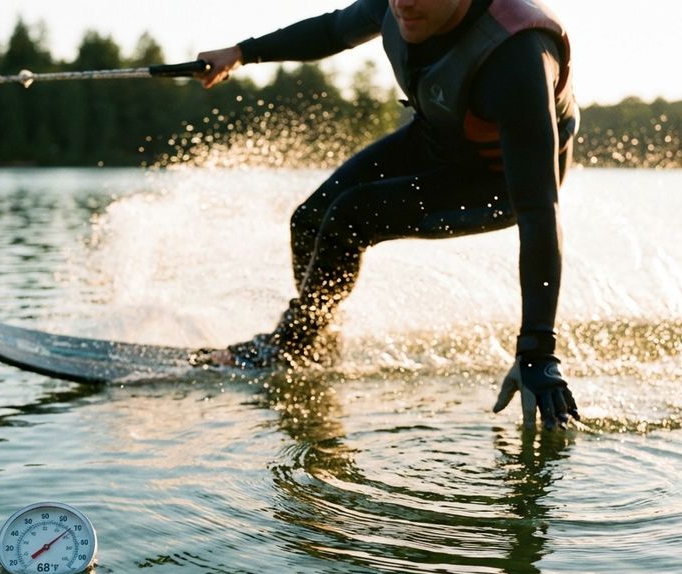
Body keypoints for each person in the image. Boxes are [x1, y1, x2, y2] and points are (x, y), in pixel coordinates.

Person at [194, 0, 580, 430]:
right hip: (434, 140)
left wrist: (537, 352)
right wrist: (241, 53)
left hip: (500, 183)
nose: (403, 4)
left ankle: (292, 345)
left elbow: (540, 211)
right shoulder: (396, 3)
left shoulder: (518, 53)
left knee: (351, 215)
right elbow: (331, 31)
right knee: (310, 218)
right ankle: (313, 343)